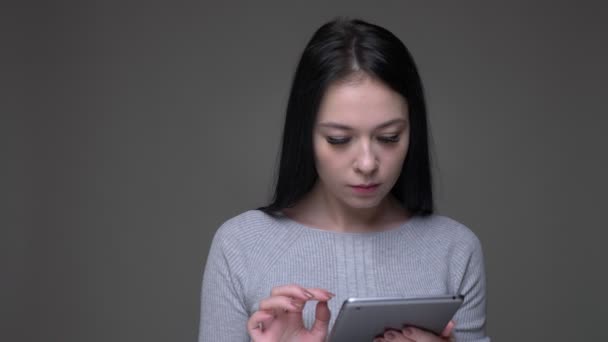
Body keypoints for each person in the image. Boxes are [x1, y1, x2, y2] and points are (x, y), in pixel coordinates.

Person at [198, 18, 489, 342]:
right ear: (305, 134)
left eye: (389, 137)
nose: (367, 163)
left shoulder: (454, 249)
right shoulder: (241, 245)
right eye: (338, 139)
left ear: (412, 131)